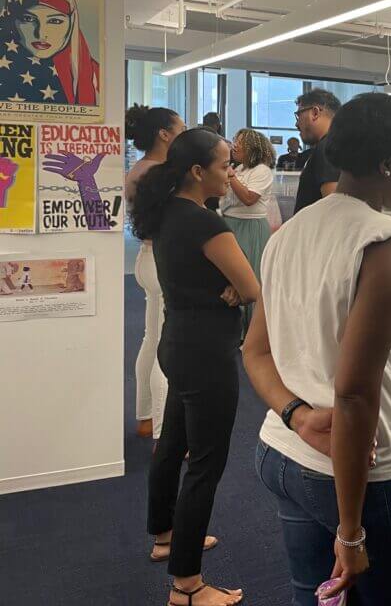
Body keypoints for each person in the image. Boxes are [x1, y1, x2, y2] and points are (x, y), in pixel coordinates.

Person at [244, 92, 391, 606]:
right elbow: (352, 393)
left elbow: (254, 352)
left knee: (313, 598)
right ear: (387, 163)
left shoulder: (289, 233)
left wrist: (297, 415)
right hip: (372, 473)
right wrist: (350, 531)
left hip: (286, 452)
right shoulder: (387, 243)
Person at [132, 128, 260, 606]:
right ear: (197, 171)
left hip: (178, 343)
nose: (231, 173)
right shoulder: (206, 223)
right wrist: (234, 291)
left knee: (173, 445)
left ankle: (165, 536)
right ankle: (186, 585)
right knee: (206, 464)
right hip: (206, 352)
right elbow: (251, 287)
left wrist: (230, 288)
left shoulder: (166, 211)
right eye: (225, 165)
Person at [125, 104, 186, 440]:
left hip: (147, 258)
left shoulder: (139, 168)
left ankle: (146, 418)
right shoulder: (161, 173)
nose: (184, 134)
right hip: (164, 260)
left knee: (152, 339)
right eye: (181, 129)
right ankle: (164, 436)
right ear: (164, 134)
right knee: (167, 348)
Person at [0, 0, 100, 106]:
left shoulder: (94, 75)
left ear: (72, 23)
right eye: (28, 19)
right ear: (11, 19)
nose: (41, 33)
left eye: (55, 21)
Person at [223, 128, 276, 335]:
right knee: (232, 276)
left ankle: (251, 331)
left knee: (250, 276)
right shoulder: (240, 168)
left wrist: (230, 176)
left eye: (240, 142)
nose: (234, 145)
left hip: (250, 227)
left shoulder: (261, 170)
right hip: (232, 224)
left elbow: (248, 198)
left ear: (252, 147)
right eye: (234, 140)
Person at [293, 88, 341, 214]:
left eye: (299, 115)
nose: (296, 124)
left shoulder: (327, 148)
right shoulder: (337, 144)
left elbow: (334, 209)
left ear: (315, 113)